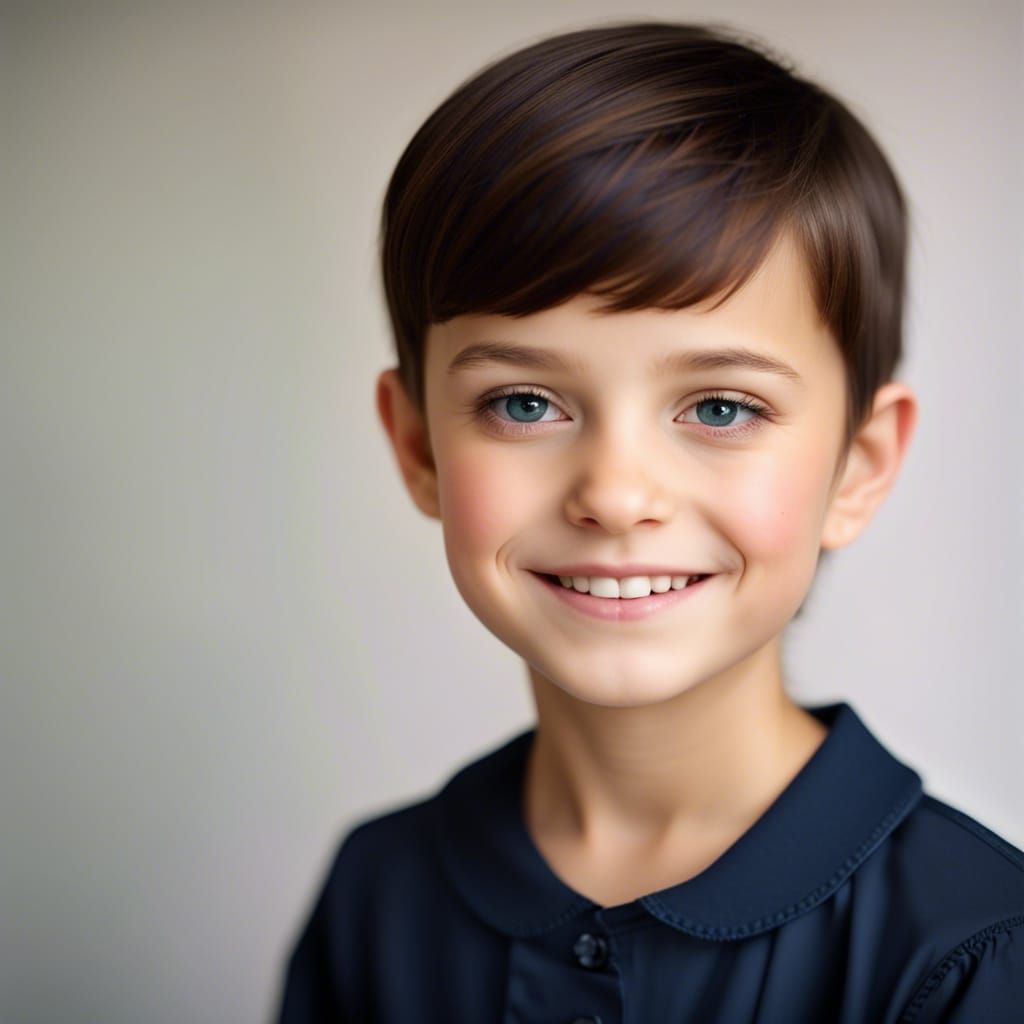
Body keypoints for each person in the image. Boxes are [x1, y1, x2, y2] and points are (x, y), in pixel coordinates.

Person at [275, 21, 1024, 1022]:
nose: (617, 495)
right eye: (524, 403)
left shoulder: (971, 950)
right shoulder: (376, 894)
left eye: (720, 407)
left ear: (859, 462)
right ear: (418, 448)